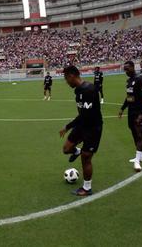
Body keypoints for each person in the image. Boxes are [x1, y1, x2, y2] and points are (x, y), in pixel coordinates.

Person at [58, 65, 103, 197]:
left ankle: (87, 188)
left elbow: (86, 115)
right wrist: (68, 127)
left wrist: (68, 126)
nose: (66, 82)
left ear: (72, 76)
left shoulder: (89, 90)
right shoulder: (78, 91)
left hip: (93, 128)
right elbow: (82, 115)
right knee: (66, 149)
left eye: (66, 79)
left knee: (86, 158)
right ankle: (77, 151)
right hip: (82, 125)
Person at [118, 61, 142, 172]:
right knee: (134, 133)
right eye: (124, 70)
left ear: (132, 67)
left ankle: (137, 161)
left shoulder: (140, 79)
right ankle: (141, 155)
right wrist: (122, 108)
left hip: (140, 113)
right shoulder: (129, 81)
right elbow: (129, 97)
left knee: (139, 133)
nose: (126, 71)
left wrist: (141, 114)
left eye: (127, 69)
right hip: (131, 112)